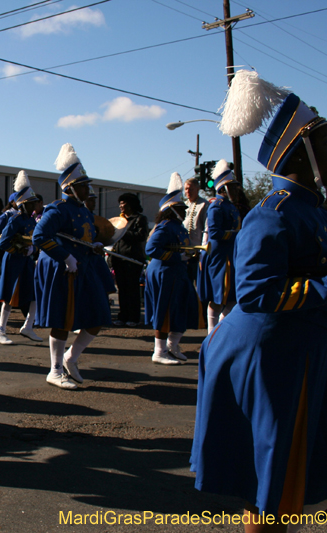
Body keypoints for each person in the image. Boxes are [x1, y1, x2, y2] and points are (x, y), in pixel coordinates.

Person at [191, 71, 327, 530]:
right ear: (304, 152)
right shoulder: (271, 214)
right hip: (270, 354)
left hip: (307, 348)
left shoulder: (314, 212)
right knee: (273, 481)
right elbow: (256, 294)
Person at [33, 143, 112, 389]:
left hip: (86, 268)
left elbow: (85, 238)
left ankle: (71, 358)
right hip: (65, 270)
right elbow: (39, 236)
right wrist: (65, 257)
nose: (88, 189)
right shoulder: (58, 210)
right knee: (63, 320)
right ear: (70, 187)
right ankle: (54, 370)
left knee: (98, 315)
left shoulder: (86, 212)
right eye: (83, 185)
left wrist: (95, 244)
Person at [144, 172, 202, 365]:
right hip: (165, 273)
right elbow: (151, 249)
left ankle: (172, 346)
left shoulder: (179, 227)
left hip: (178, 272)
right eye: (180, 208)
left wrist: (189, 254)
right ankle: (159, 351)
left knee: (182, 308)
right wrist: (178, 256)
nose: (185, 211)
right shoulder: (165, 226)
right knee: (165, 310)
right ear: (172, 210)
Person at [0, 171, 42, 345]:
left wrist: (32, 249)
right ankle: (1, 330)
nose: (33, 206)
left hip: (27, 262)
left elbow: (36, 240)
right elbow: (3, 243)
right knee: (9, 295)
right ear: (23, 204)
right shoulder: (14, 219)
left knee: (33, 293)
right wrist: (20, 250)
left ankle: (28, 326)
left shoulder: (31, 221)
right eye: (30, 203)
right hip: (13, 260)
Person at [197, 161, 241, 332]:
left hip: (231, 254)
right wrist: (238, 234)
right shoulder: (217, 206)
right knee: (219, 296)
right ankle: (213, 333)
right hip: (220, 257)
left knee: (232, 297)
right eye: (233, 186)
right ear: (224, 188)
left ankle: (219, 331)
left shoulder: (230, 206)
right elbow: (215, 233)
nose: (236, 190)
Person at [111, 193, 148, 327]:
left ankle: (133, 317)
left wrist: (122, 231)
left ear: (131, 204)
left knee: (132, 289)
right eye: (120, 203)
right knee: (122, 289)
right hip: (119, 259)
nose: (121, 206)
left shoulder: (139, 219)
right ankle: (122, 316)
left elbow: (141, 235)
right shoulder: (119, 220)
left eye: (124, 203)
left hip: (132, 259)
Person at [183, 177, 208, 285]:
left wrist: (202, 251)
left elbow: (207, 229)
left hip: (196, 253)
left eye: (191, 189)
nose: (188, 192)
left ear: (197, 189)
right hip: (184, 254)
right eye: (186, 189)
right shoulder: (183, 205)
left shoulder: (204, 205)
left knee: (197, 285)